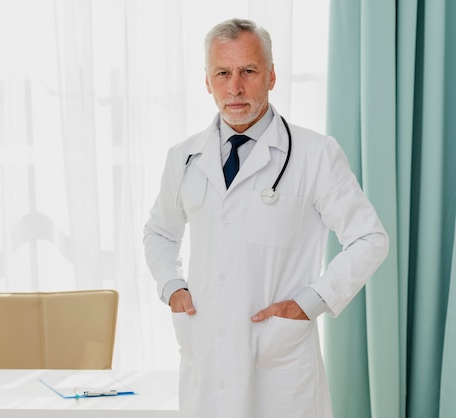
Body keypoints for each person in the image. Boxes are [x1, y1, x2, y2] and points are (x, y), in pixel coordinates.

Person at [143, 18, 389, 418]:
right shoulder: (184, 157)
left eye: (249, 71)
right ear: (207, 80)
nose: (235, 87)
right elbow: (159, 232)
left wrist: (310, 302)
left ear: (271, 75)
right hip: (205, 356)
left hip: (280, 360)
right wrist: (172, 287)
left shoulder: (315, 154)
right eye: (222, 72)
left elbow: (369, 239)